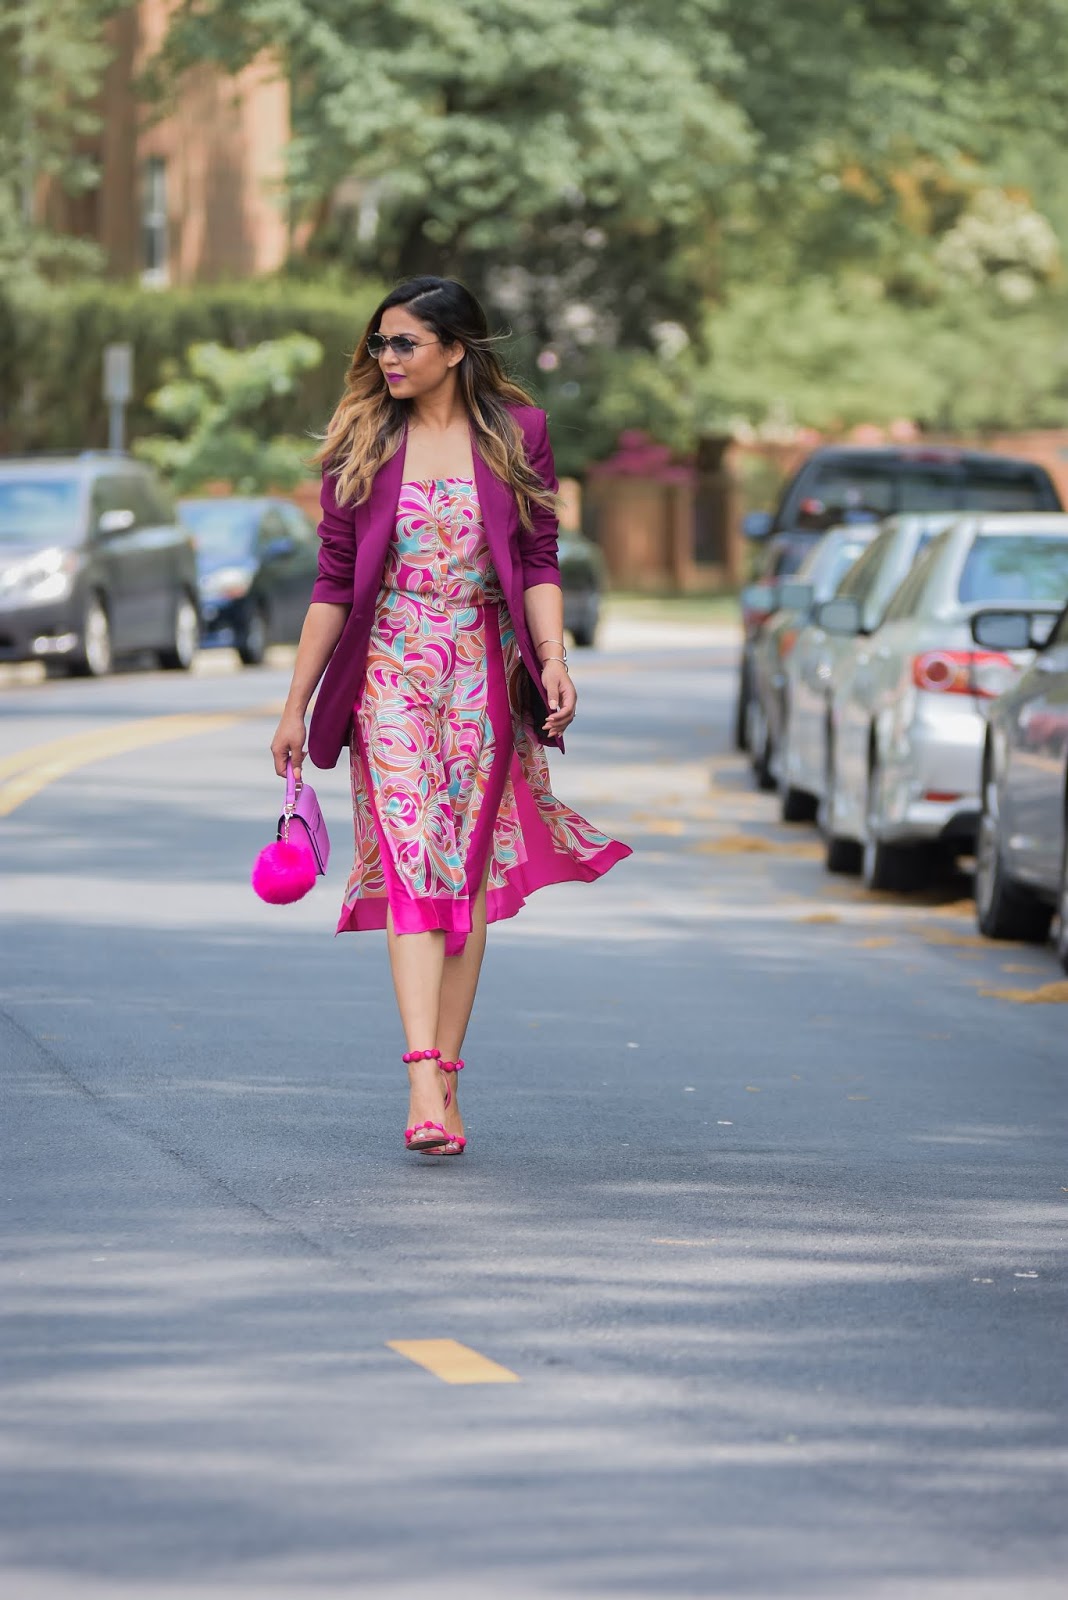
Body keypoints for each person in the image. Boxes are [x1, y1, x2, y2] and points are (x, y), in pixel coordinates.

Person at [270, 277, 631, 1157]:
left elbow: (539, 557)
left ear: (453, 351)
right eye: (381, 344)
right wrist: (297, 702)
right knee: (410, 863)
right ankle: (421, 1078)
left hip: (479, 673)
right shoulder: (360, 438)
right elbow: (332, 580)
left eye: (405, 345)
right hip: (388, 674)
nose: (386, 359)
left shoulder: (520, 433)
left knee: (461, 883)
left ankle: (448, 1079)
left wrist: (552, 659)